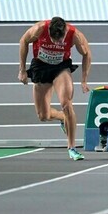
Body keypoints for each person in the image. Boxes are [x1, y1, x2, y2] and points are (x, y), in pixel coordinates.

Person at [18, 17, 92, 161]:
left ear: (65, 32)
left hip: (61, 68)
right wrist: (22, 70)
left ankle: (72, 148)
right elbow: (23, 41)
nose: (57, 43)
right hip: (41, 67)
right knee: (43, 115)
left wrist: (84, 80)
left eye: (60, 40)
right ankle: (62, 117)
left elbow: (86, 53)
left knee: (66, 104)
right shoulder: (39, 29)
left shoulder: (75, 34)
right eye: (54, 39)